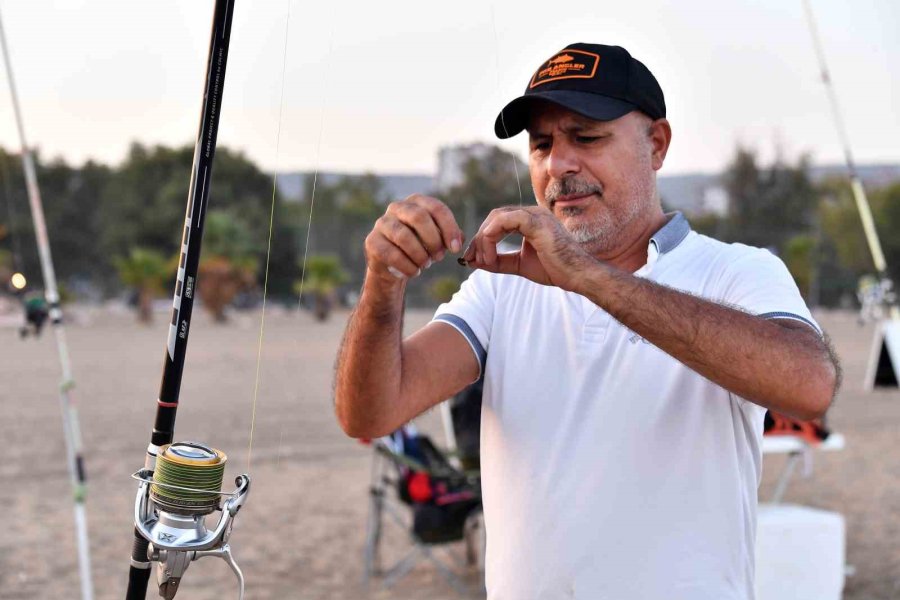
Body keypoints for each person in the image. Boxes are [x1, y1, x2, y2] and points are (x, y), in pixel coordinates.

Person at [334, 42, 840, 599]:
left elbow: (810, 387)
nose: (559, 164)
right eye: (542, 144)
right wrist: (383, 284)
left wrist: (587, 276)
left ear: (656, 144)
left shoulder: (737, 271)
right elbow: (370, 413)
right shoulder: (500, 287)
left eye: (587, 137)